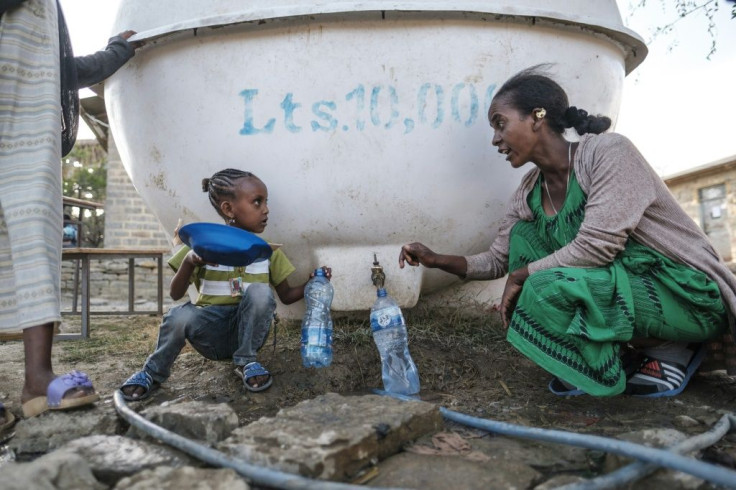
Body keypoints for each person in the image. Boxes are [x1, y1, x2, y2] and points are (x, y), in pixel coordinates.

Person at [399, 65, 736, 398]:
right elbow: (497, 260)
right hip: (621, 288)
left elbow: (597, 247)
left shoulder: (608, 153)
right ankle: (614, 355)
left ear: (536, 116)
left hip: (684, 295)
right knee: (524, 240)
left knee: (543, 284)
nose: (495, 139)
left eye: (501, 124)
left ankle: (675, 346)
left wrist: (522, 276)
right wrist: (435, 259)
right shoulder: (528, 192)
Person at [0, 0, 142, 423]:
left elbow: (60, 71)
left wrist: (116, 52)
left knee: (35, 230)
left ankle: (37, 380)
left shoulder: (45, 9)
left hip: (29, 128)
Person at [120, 169, 331, 400]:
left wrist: (313, 282)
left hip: (248, 335)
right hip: (210, 333)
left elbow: (287, 295)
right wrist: (190, 262)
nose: (266, 209)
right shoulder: (203, 246)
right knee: (178, 315)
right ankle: (152, 372)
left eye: (265, 202)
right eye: (257, 202)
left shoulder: (268, 252)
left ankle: (247, 362)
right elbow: (175, 293)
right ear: (228, 209)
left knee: (261, 291)